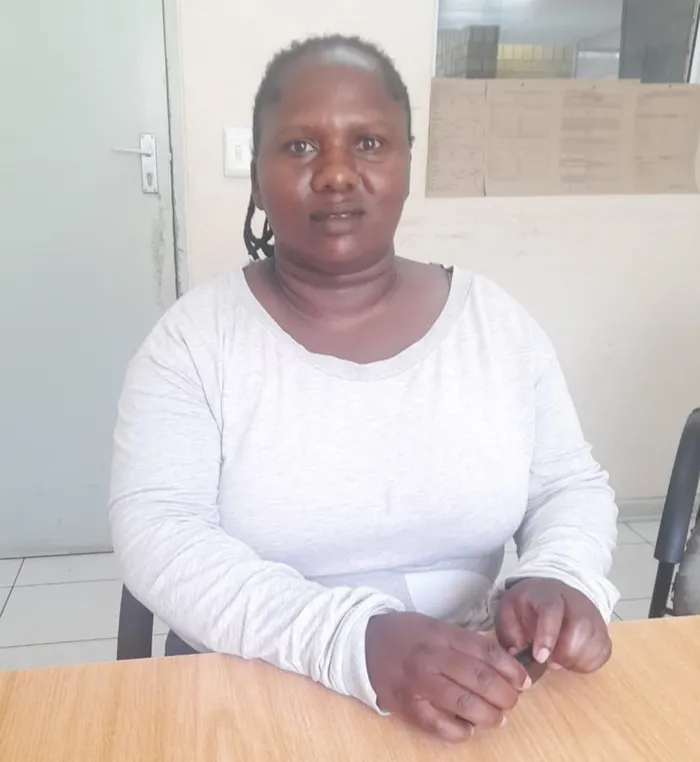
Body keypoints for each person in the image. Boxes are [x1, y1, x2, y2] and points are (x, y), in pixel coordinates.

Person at [110, 34, 619, 742]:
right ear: (256, 178)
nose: (337, 174)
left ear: (407, 162)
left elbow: (567, 485)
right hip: (257, 690)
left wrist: (562, 577)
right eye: (300, 147)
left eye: (370, 144)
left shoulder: (496, 326)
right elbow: (159, 532)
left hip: (483, 687)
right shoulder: (194, 343)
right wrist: (357, 642)